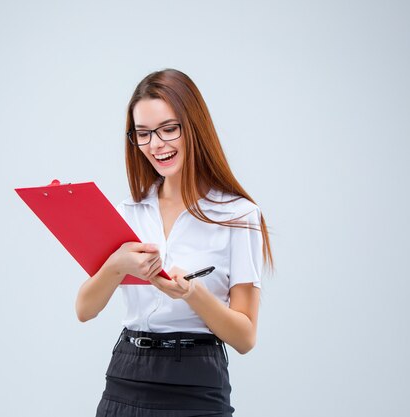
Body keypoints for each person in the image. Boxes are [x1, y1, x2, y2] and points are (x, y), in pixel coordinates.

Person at [75, 68, 273, 417]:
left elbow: (245, 337)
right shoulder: (128, 212)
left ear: (194, 127)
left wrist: (193, 295)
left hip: (195, 381)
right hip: (126, 374)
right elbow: (84, 310)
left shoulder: (239, 215)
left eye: (169, 129)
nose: (156, 145)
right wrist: (117, 265)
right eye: (144, 134)